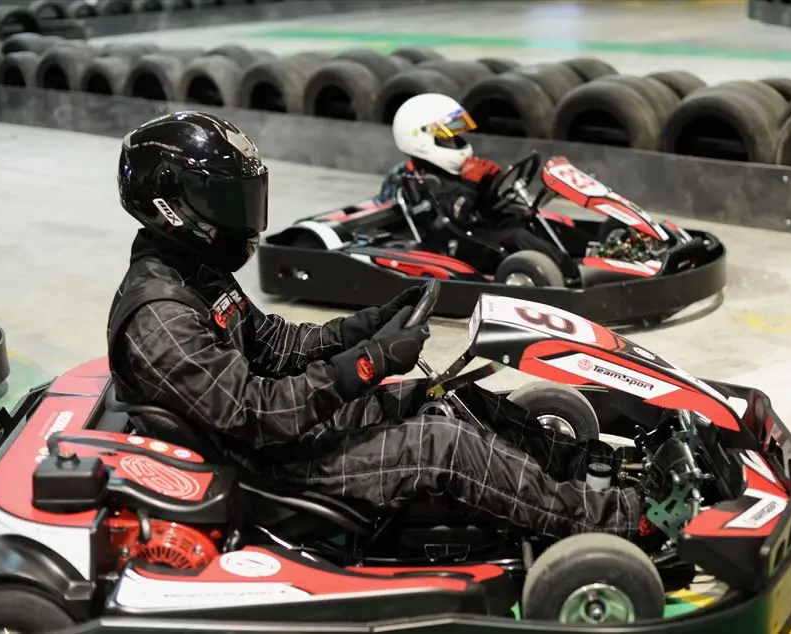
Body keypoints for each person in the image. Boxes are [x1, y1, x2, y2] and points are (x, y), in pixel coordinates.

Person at [107, 110, 662, 542]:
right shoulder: (161, 317)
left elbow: (272, 345)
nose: (240, 215)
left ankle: (597, 470)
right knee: (438, 444)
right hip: (263, 471)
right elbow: (259, 415)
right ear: (171, 204)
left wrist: (368, 324)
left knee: (442, 399)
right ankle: (622, 523)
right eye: (223, 199)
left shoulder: (192, 273)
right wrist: (368, 363)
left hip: (280, 441)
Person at [388, 93, 580, 280]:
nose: (456, 144)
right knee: (517, 236)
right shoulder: (417, 181)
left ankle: (590, 251)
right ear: (421, 139)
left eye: (456, 138)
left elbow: (480, 207)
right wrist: (470, 183)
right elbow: (450, 220)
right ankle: (574, 272)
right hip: (458, 246)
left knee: (525, 218)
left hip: (478, 231)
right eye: (448, 139)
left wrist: (488, 183)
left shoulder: (447, 172)